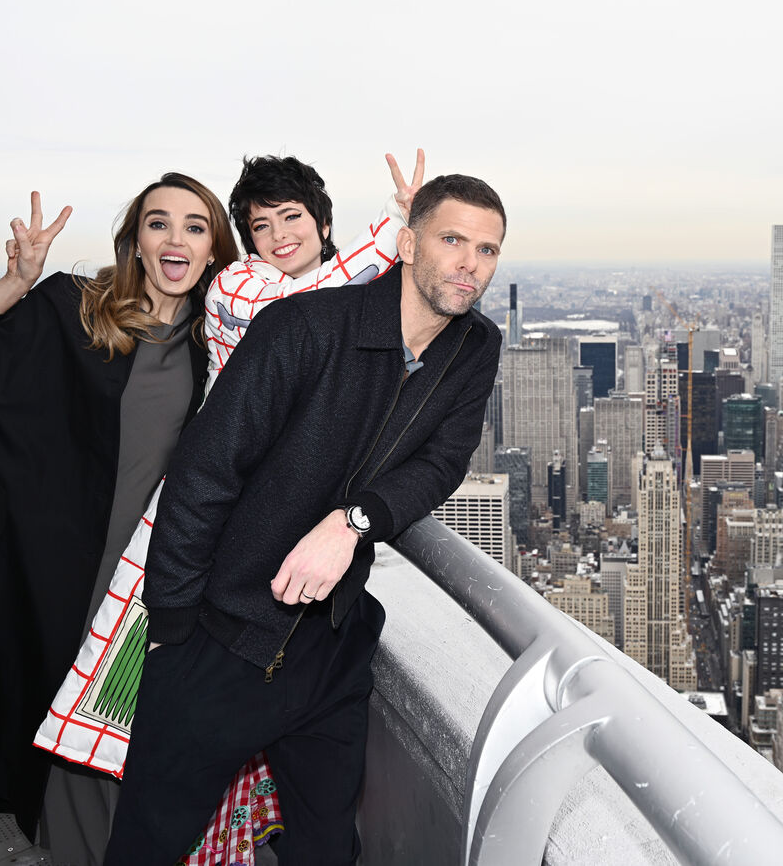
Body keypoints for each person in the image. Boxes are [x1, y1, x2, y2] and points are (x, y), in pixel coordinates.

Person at [31, 150, 425, 864]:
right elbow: (324, 290)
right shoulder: (243, 289)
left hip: (276, 531)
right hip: (212, 513)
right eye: (261, 224)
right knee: (170, 697)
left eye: (293, 218)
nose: (278, 236)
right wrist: (397, 226)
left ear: (322, 222)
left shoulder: (357, 308)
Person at [105, 172, 506, 865]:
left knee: (325, 849)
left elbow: (442, 463)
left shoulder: (474, 347)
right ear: (407, 243)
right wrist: (173, 633)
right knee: (149, 845)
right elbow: (205, 473)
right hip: (223, 644)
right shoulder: (305, 326)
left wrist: (352, 522)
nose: (471, 262)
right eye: (453, 240)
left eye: (489, 249)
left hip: (331, 648)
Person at [0, 175, 238, 856]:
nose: (176, 238)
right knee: (61, 745)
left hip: (139, 585)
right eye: (159, 223)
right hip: (45, 572)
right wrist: (16, 280)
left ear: (213, 251)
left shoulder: (216, 347)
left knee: (107, 743)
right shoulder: (69, 307)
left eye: (195, 227)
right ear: (137, 241)